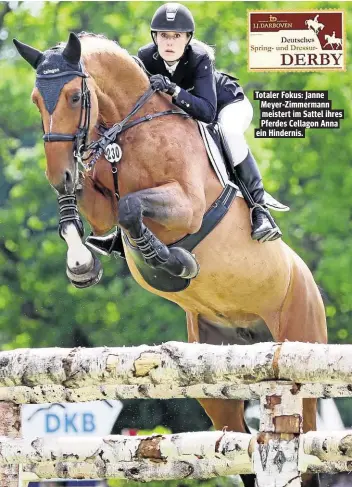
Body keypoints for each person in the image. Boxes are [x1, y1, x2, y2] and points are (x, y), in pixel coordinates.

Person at [87, 3, 281, 257]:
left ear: (187, 38)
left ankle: (259, 210)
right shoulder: (145, 58)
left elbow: (207, 113)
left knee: (229, 133)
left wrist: (174, 91)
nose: (169, 42)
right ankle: (126, 230)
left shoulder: (200, 57)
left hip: (225, 104)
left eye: (176, 36)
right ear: (154, 37)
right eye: (163, 36)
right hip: (181, 113)